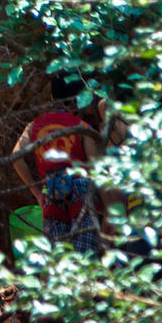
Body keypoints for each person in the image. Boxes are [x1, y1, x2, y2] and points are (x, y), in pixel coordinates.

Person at [11, 74, 102, 255]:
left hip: (51, 192)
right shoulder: (82, 126)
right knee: (84, 258)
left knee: (59, 258)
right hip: (82, 191)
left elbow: (15, 157)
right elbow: (95, 172)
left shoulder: (33, 126)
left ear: (52, 97)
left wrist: (37, 194)